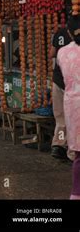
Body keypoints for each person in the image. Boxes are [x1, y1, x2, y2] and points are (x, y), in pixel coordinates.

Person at [56, 15, 80, 200]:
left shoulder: (62, 53)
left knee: (79, 154)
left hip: (73, 107)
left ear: (70, 33)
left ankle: (76, 194)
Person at [49, 24, 74, 161]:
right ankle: (72, 152)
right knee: (74, 118)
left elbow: (51, 54)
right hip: (73, 84)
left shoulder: (59, 32)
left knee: (61, 117)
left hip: (58, 80)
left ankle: (58, 145)